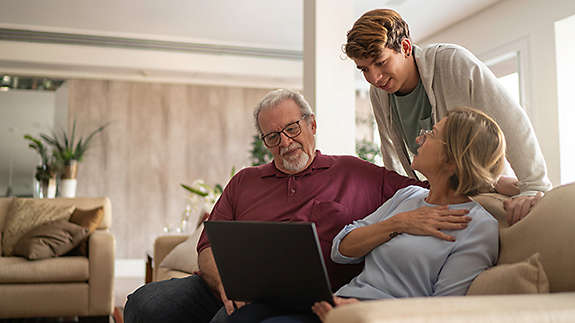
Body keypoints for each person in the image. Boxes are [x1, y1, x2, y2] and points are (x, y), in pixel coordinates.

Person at [123, 89, 473, 323]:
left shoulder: (357, 172)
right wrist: (224, 282)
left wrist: (505, 191)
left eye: (292, 129)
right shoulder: (245, 180)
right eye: (273, 137)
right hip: (227, 286)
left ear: (312, 125)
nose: (285, 142)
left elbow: (435, 187)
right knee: (143, 304)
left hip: (308, 297)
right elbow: (207, 246)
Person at [230, 107, 504, 323]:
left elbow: (444, 311)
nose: (420, 138)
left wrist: (364, 314)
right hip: (340, 302)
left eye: (431, 134)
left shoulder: (478, 226)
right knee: (243, 317)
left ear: (452, 158)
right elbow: (342, 247)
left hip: (374, 317)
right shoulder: (408, 197)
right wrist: (399, 223)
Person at [344, 9, 549, 225]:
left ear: (404, 47)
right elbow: (391, 154)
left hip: (484, 188)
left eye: (380, 62)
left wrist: (533, 186)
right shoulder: (379, 93)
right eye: (364, 69)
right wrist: (400, 204)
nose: (374, 77)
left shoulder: (452, 62)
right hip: (439, 196)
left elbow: (511, 120)